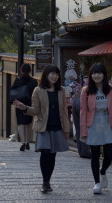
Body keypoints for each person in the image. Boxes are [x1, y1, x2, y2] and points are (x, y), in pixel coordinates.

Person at [13, 64, 70, 193]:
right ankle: (45, 181)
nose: (54, 76)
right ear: (46, 74)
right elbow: (36, 110)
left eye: (56, 74)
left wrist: (66, 130)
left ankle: (48, 180)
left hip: (57, 127)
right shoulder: (38, 90)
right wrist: (24, 108)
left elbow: (65, 112)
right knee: (45, 153)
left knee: (52, 155)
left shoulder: (61, 91)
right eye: (52, 73)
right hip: (43, 127)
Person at [80, 63, 112, 194]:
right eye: (94, 73)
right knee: (94, 155)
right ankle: (96, 183)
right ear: (91, 75)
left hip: (108, 122)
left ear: (104, 74)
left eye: (99, 72)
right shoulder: (86, 90)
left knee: (108, 155)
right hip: (93, 123)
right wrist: (83, 131)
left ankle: (103, 171)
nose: (96, 75)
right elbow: (83, 112)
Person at [10, 63, 38, 151]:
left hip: (19, 104)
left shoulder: (17, 80)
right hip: (29, 104)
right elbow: (35, 94)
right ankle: (27, 142)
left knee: (21, 124)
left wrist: (13, 102)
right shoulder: (34, 81)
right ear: (30, 71)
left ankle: (22, 142)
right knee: (29, 123)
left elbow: (12, 91)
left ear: (21, 71)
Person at [71, 93, 91, 158]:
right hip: (83, 101)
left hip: (76, 101)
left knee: (78, 128)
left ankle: (80, 151)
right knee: (85, 128)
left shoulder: (81, 91)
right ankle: (85, 152)